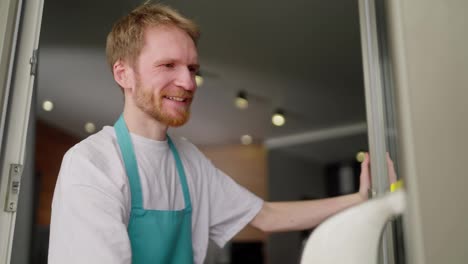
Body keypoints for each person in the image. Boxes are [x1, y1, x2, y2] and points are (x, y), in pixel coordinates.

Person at [48, 3, 374, 264]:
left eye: (192, 69)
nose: (188, 83)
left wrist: (358, 200)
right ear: (124, 74)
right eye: (167, 66)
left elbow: (267, 216)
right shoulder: (92, 164)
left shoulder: (190, 161)